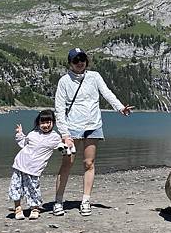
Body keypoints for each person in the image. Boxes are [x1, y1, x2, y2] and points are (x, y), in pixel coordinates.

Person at [53, 47, 133, 217]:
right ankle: (58, 201)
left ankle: (85, 201)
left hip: (93, 125)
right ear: (70, 63)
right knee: (67, 164)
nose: (80, 62)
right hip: (72, 127)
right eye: (76, 60)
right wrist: (65, 134)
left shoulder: (94, 76)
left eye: (82, 59)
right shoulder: (64, 81)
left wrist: (120, 108)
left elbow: (107, 93)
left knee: (89, 163)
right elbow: (59, 108)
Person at [9, 109, 62, 220]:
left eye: (48, 122)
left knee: (33, 188)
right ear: (38, 123)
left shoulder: (55, 137)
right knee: (16, 186)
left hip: (34, 168)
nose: (45, 125)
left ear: (53, 122)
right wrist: (20, 133)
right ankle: (18, 208)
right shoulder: (33, 133)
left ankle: (35, 208)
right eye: (42, 122)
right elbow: (24, 144)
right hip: (20, 164)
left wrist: (67, 147)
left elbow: (62, 146)